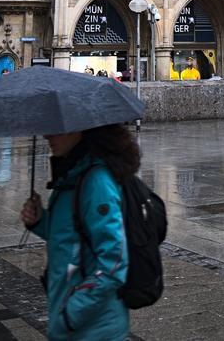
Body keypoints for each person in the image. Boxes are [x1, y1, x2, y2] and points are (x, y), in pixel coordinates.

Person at [20, 123, 139, 341]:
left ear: (79, 130)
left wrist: (71, 313)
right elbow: (73, 235)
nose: (47, 134)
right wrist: (40, 221)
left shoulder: (96, 182)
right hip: (73, 323)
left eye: (57, 129)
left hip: (93, 328)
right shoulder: (72, 175)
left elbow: (114, 262)